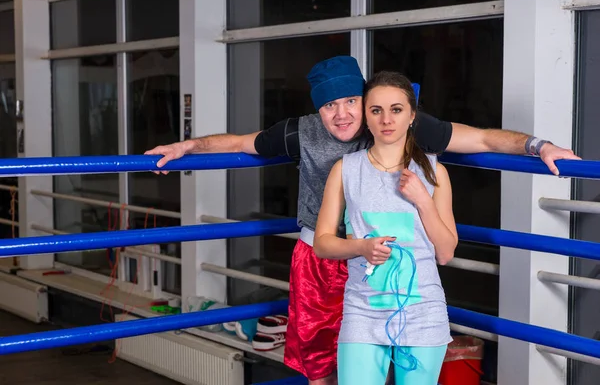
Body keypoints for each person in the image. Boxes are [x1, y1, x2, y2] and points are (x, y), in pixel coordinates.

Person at [144, 56, 579, 384]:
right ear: (319, 110)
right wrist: (188, 146)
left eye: (352, 101)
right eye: (331, 105)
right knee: (321, 366)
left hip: (395, 262)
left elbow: (483, 137)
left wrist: (541, 146)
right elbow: (240, 141)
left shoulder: (401, 125)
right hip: (324, 253)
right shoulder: (301, 132)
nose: (344, 114)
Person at [314, 70, 456, 385]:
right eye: (376, 110)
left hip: (423, 311)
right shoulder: (345, 170)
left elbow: (445, 253)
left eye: (396, 109)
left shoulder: (435, 172)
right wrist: (361, 247)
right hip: (362, 308)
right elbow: (322, 243)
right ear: (366, 117)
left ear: (412, 115)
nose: (386, 120)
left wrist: (423, 200)